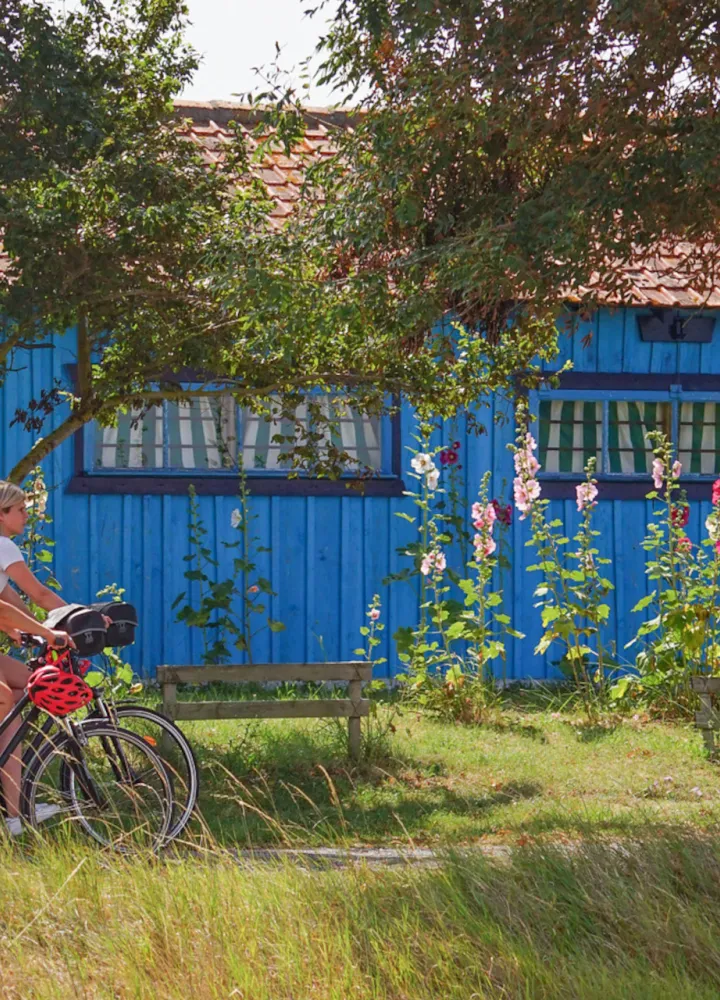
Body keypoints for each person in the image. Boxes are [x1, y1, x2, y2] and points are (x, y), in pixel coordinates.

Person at [0, 481, 74, 835]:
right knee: (6, 704)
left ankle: (11, 803)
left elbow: (15, 607)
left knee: (23, 690)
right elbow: (40, 595)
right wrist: (73, 621)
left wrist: (33, 629)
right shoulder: (2, 546)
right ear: (2, 515)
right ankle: (14, 817)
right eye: (21, 511)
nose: (27, 517)